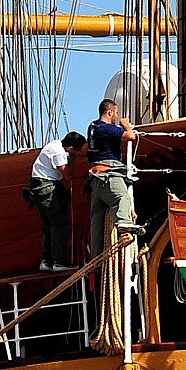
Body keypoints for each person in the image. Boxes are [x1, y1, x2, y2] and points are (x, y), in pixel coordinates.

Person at [86, 90, 137, 263]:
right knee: (121, 198)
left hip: (95, 178)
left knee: (97, 218)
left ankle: (97, 257)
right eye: (115, 113)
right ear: (109, 112)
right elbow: (130, 137)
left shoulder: (92, 127)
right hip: (109, 174)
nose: (116, 116)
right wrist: (126, 125)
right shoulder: (108, 128)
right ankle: (124, 222)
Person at [25, 131, 86, 270]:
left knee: (49, 225)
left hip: (39, 188)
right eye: (77, 150)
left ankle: (46, 261)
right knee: (60, 223)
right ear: (71, 148)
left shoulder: (55, 145)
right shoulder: (59, 153)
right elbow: (67, 176)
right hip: (46, 188)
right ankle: (59, 261)